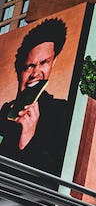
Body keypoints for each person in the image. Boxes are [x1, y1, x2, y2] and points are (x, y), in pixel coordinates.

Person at [0, 17, 70, 173]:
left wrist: (28, 138)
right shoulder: (5, 111)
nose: (36, 73)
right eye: (30, 66)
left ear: (54, 62)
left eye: (44, 62)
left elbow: (56, 176)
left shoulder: (61, 111)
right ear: (20, 70)